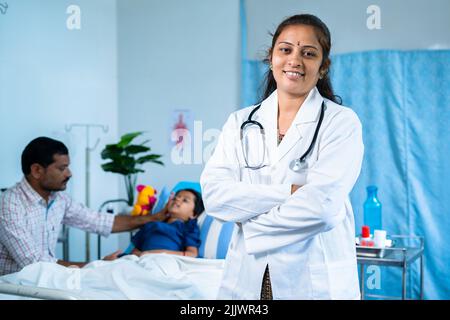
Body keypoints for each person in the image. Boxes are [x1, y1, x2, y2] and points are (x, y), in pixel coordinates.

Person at [200, 14, 364, 299]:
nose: (295, 60)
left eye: (308, 53)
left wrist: (252, 228)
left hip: (312, 277)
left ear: (323, 67)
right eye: (285, 49)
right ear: (271, 57)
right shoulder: (240, 122)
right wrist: (291, 191)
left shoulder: (341, 122)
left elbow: (323, 206)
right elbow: (215, 196)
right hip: (248, 276)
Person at [0, 137, 167, 276]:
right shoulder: (10, 205)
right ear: (37, 170)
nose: (69, 173)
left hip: (45, 279)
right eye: (62, 168)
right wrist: (98, 266)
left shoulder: (58, 199)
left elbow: (98, 221)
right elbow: (33, 263)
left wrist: (153, 218)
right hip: (14, 285)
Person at [128, 189, 204, 257]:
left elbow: (192, 254)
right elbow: (135, 251)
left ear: (193, 214)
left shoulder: (189, 227)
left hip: (167, 260)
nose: (177, 199)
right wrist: (141, 255)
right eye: (175, 197)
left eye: (185, 200)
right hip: (142, 260)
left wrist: (160, 253)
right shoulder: (151, 224)